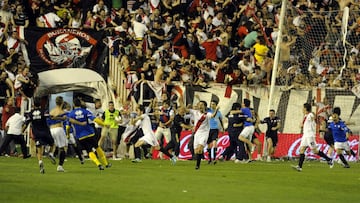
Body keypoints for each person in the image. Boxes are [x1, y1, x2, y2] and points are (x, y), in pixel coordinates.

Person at [66, 98, 111, 170]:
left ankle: (98, 164)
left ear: (73, 105)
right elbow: (95, 119)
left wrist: (67, 135)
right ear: (80, 104)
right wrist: (104, 124)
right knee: (97, 147)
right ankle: (106, 163)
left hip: (80, 136)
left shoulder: (70, 114)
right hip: (90, 133)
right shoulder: (85, 111)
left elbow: (68, 127)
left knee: (89, 150)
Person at [292, 103, 334, 172]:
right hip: (305, 135)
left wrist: (314, 117)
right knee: (301, 150)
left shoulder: (310, 115)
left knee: (315, 151)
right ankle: (299, 167)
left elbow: (313, 117)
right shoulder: (305, 116)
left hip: (310, 135)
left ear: (305, 108)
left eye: (303, 108)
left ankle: (329, 159)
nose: (302, 109)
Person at [24, 98, 56, 174]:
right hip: (45, 132)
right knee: (53, 144)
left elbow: (26, 123)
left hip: (37, 133)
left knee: (39, 150)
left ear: (33, 104)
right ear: (40, 104)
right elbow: (51, 116)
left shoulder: (30, 113)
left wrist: (22, 130)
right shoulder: (44, 111)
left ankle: (40, 162)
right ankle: (51, 153)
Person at [188, 101, 218, 170]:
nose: (200, 106)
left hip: (204, 133)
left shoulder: (207, 114)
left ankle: (197, 166)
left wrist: (216, 110)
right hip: (197, 133)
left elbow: (213, 116)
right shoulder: (195, 112)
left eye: (202, 105)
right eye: (199, 105)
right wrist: (181, 101)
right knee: (196, 151)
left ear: (205, 106)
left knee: (199, 149)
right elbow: (185, 109)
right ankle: (202, 157)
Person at [48, 96, 67, 172]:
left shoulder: (51, 111)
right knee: (63, 148)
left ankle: (51, 153)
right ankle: (60, 166)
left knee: (54, 144)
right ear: (62, 102)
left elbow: (49, 119)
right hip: (59, 129)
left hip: (51, 129)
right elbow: (64, 118)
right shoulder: (62, 112)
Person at [207, 100, 224, 164]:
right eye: (211, 104)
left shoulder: (219, 113)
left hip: (215, 129)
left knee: (214, 143)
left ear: (216, 105)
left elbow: (221, 120)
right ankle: (209, 159)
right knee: (209, 145)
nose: (212, 105)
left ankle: (214, 159)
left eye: (213, 104)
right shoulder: (208, 111)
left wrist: (223, 128)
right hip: (208, 129)